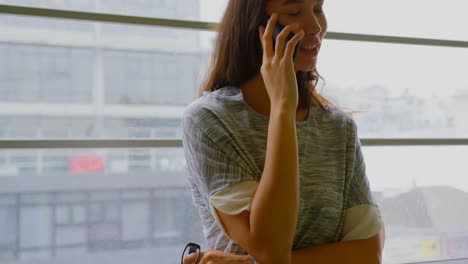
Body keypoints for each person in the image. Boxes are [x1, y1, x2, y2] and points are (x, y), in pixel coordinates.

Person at [181, 0, 385, 263]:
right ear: (257, 26)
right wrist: (282, 108)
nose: (316, 27)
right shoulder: (208, 121)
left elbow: (368, 255)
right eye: (294, 12)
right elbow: (270, 248)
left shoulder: (338, 127)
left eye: (318, 9)